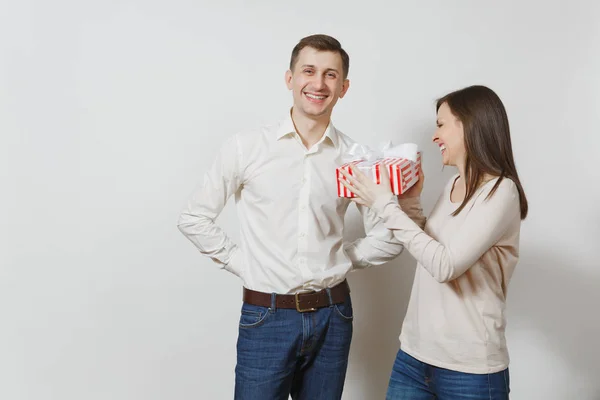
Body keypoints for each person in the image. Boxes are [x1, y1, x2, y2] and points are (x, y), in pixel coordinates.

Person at [177, 34, 404, 400]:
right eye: (309, 71)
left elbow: (388, 237)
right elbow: (193, 218)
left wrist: (343, 259)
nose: (318, 83)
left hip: (334, 315)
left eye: (330, 75)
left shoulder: (354, 157)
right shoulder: (247, 147)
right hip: (266, 317)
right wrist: (245, 264)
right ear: (290, 79)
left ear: (344, 88)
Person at [338, 85, 528, 399]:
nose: (434, 136)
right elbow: (430, 248)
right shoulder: (455, 183)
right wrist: (410, 203)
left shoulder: (501, 192)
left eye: (440, 125)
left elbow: (445, 266)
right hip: (414, 358)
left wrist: (386, 204)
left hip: (470, 371)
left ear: (469, 125)